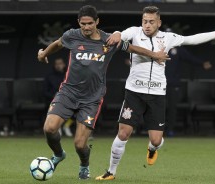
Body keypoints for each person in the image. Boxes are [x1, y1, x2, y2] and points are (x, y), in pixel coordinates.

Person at [96, 5, 215, 180]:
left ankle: (153, 149)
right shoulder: (134, 32)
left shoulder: (168, 38)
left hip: (156, 95)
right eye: (145, 21)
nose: (147, 25)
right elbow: (120, 35)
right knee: (123, 133)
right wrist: (117, 33)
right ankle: (111, 171)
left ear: (159, 22)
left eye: (151, 22)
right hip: (134, 92)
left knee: (156, 140)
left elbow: (192, 39)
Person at [37, 5, 169, 180]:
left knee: (79, 144)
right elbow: (58, 44)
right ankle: (59, 154)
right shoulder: (72, 36)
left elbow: (132, 48)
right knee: (49, 128)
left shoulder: (109, 41)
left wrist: (154, 55)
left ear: (97, 22)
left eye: (90, 23)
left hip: (91, 99)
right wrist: (43, 53)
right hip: (68, 93)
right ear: (79, 23)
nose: (86, 27)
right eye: (83, 24)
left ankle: (84, 164)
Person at [165, 46, 212, 137]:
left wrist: (202, 63)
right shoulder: (157, 46)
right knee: (157, 108)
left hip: (173, 84)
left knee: (172, 108)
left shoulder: (177, 49)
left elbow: (190, 58)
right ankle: (155, 130)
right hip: (157, 84)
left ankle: (170, 129)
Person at [44, 58, 74, 137]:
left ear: (64, 64)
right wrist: (54, 96)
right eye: (57, 64)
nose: (58, 65)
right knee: (55, 109)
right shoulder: (49, 76)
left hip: (68, 99)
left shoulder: (69, 75)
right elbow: (45, 91)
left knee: (78, 110)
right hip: (53, 100)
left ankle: (66, 126)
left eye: (60, 63)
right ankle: (57, 127)